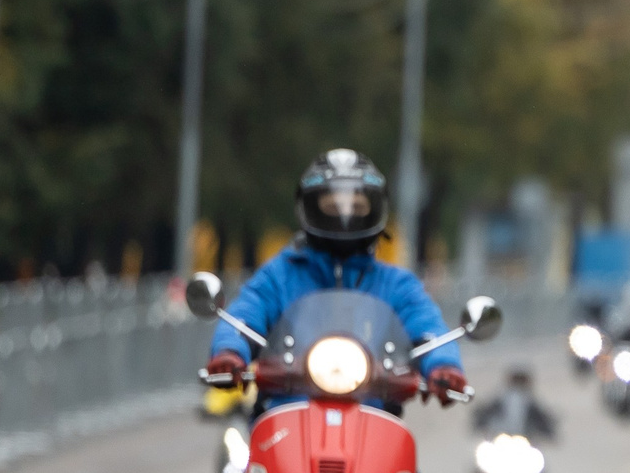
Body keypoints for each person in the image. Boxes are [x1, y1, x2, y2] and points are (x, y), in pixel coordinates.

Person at [200, 149, 467, 410]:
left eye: (357, 207)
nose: (344, 216)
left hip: (373, 420)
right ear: (309, 209)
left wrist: (443, 365)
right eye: (331, 206)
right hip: (286, 417)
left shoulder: (397, 285)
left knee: (405, 455)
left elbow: (428, 327)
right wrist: (230, 351)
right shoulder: (279, 275)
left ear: (376, 210)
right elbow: (246, 313)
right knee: (244, 453)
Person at [476, 367, 558, 441]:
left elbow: (542, 418)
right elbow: (484, 412)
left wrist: (548, 431)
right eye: (516, 380)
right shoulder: (500, 398)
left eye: (520, 380)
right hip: (501, 439)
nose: (518, 383)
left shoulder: (530, 400)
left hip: (525, 439)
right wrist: (479, 423)